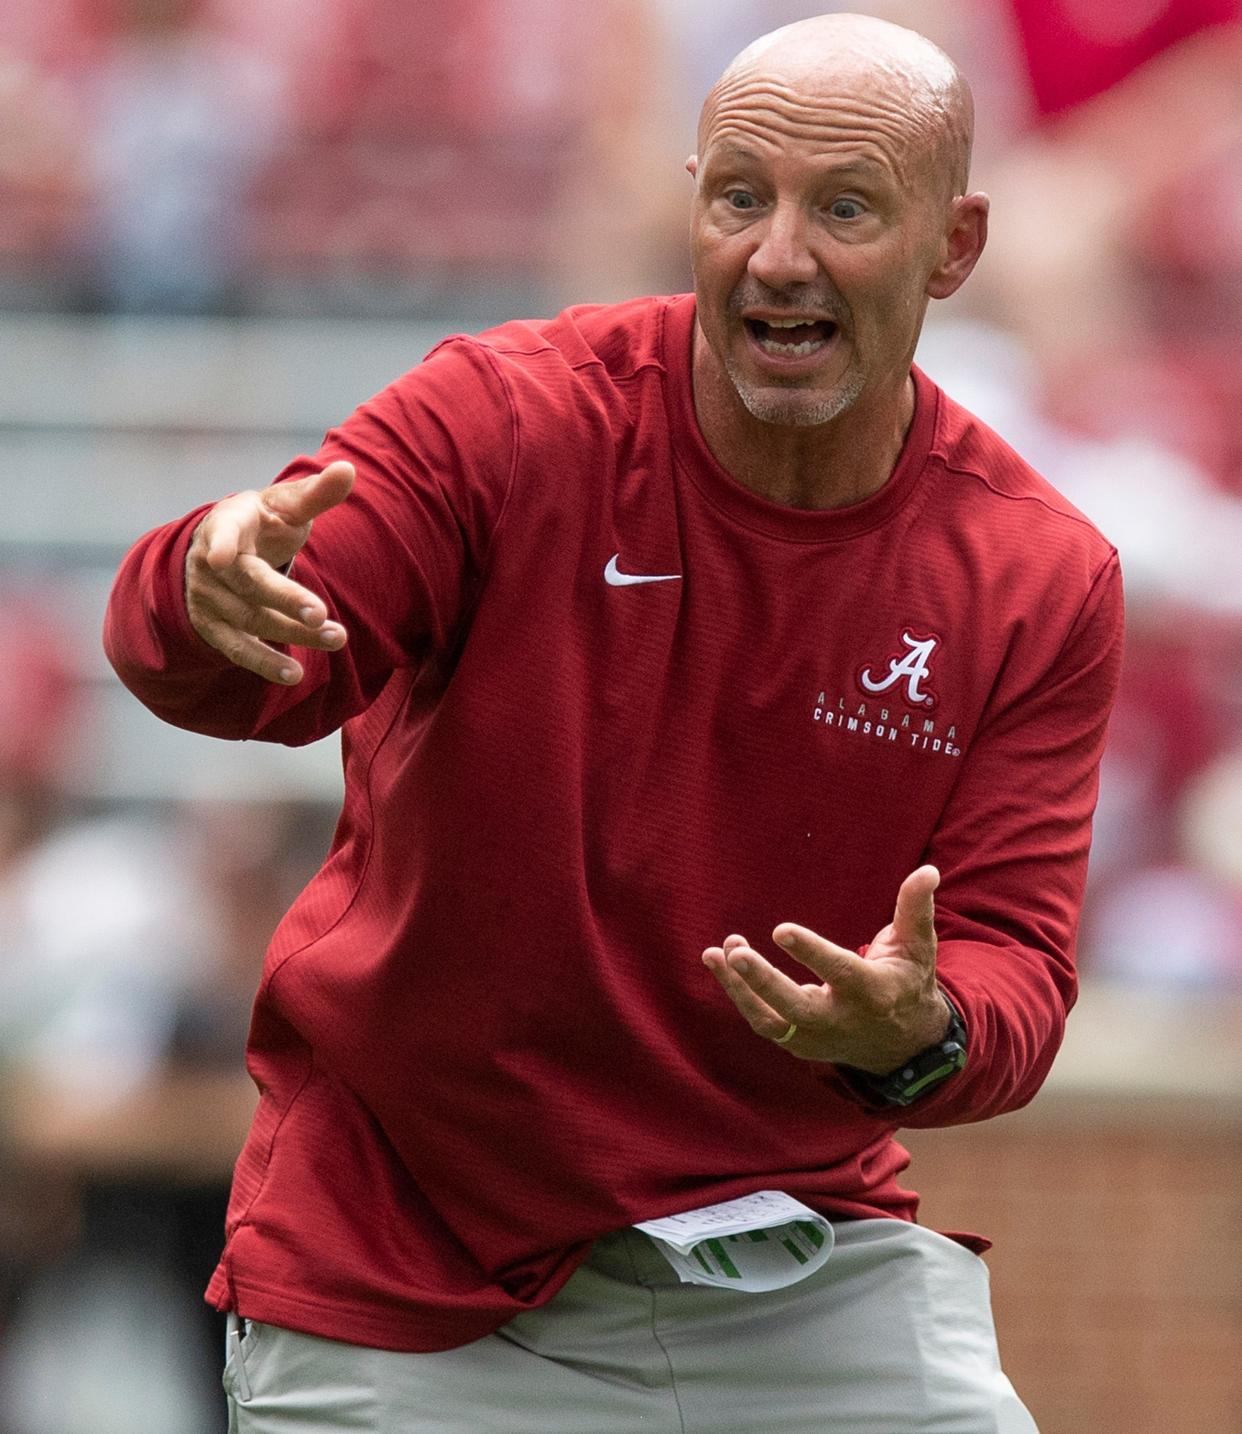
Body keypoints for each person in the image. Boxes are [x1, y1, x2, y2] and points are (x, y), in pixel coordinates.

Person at [103, 13, 1123, 1433]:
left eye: (842, 206)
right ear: (687, 203)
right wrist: (193, 590)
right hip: (414, 1277)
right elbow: (259, 642)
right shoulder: (506, 417)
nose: (777, 254)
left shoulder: (1035, 570)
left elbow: (1012, 971)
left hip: (797, 1261)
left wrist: (920, 1027)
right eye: (738, 196)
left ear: (952, 246)